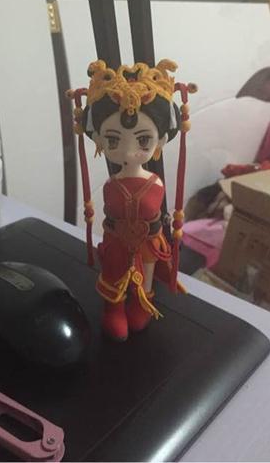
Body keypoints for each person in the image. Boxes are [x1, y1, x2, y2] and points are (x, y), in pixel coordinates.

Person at [68, 59, 193, 341]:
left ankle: (140, 304)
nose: (127, 152)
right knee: (113, 273)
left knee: (145, 278)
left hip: (148, 242)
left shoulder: (155, 183)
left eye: (143, 141)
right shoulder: (111, 185)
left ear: (161, 140)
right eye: (113, 141)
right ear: (98, 139)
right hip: (116, 240)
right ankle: (113, 308)